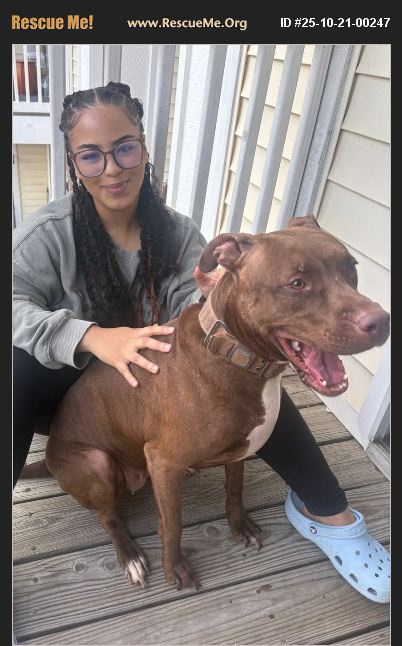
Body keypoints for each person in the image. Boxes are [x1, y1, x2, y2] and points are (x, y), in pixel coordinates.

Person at [13, 82, 390, 604]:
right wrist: (92, 336)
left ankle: (327, 510)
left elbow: (193, 317)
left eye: (125, 148)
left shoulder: (176, 232)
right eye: (91, 155)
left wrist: (222, 301)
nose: (112, 169)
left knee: (247, 367)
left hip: (148, 386)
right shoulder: (49, 233)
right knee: (14, 368)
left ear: (144, 148)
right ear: (74, 164)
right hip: (62, 389)